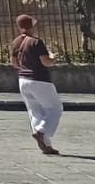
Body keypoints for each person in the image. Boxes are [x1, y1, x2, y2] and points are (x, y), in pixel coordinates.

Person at [11, 13, 61, 155]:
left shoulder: (16, 42)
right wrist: (53, 58)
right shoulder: (36, 42)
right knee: (55, 108)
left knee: (35, 112)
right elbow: (46, 62)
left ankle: (46, 145)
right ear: (31, 25)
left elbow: (14, 63)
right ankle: (41, 132)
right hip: (39, 79)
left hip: (23, 80)